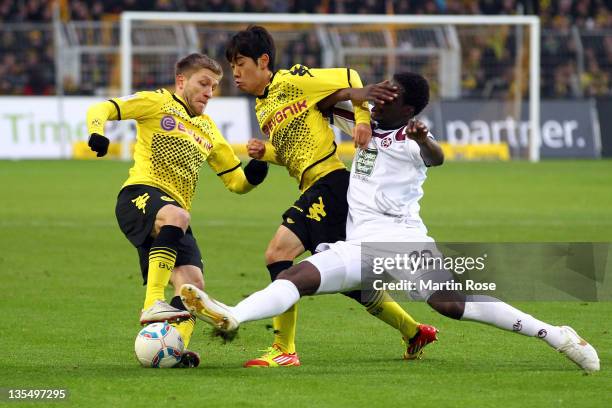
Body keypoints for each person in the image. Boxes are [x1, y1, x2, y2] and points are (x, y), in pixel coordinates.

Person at [179, 72, 600, 373]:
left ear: (410, 109)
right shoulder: (365, 125)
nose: (381, 100)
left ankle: (555, 334)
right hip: (358, 246)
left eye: (390, 96)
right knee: (295, 274)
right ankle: (231, 314)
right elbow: (323, 103)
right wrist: (361, 97)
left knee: (449, 304)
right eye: (383, 92)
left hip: (402, 242)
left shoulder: (411, 140)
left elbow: (437, 157)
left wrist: (422, 138)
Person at [225, 25, 436, 367]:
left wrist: (363, 118)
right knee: (353, 283)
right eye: (232, 64)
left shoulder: (293, 81)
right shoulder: (262, 108)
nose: (234, 72)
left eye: (240, 63)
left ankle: (284, 350)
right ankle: (413, 331)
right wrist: (268, 152)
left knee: (277, 253)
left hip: (331, 183)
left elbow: (349, 76)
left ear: (263, 61)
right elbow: (295, 154)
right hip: (315, 186)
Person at [85, 53, 268, 367]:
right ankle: (152, 303)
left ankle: (174, 349)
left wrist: (256, 171)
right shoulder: (157, 102)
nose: (209, 92)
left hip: (173, 217)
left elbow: (236, 183)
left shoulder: (208, 129)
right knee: (178, 215)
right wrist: (96, 131)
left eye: (213, 86)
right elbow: (101, 107)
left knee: (193, 287)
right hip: (139, 195)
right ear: (182, 81)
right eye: (203, 83)